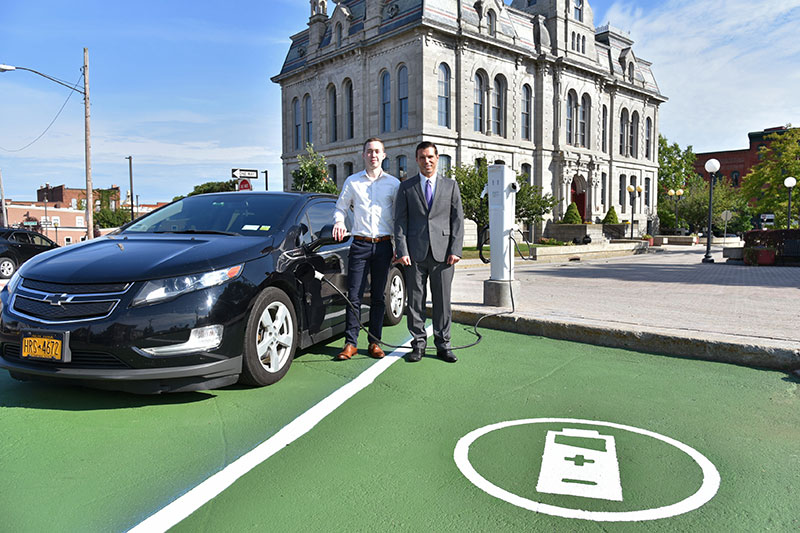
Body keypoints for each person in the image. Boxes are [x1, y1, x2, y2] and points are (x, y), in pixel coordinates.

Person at [394, 141, 464, 363]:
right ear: (417, 160)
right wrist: (402, 250)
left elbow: (457, 220)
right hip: (414, 255)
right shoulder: (406, 187)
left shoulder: (451, 186)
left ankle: (443, 345)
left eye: (430, 157)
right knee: (415, 301)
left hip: (444, 255)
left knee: (443, 301)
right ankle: (418, 344)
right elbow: (400, 222)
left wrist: (456, 249)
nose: (427, 161)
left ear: (437, 158)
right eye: (422, 157)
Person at [332, 138, 400, 360]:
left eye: (377, 151)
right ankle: (350, 343)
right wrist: (339, 222)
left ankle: (375, 343)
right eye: (369, 151)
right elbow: (340, 208)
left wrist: (399, 245)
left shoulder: (393, 184)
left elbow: (400, 217)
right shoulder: (352, 182)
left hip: (383, 246)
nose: (373, 155)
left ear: (384, 155)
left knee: (379, 296)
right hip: (359, 244)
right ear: (363, 155)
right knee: (354, 295)